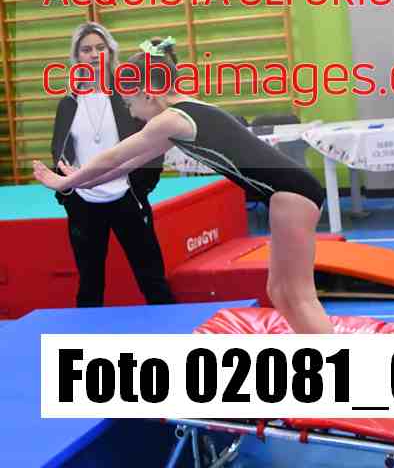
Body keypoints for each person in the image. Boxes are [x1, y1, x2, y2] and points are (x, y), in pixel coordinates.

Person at [36, 36, 333, 334]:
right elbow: (125, 166)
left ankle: (333, 358)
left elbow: (114, 156)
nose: (131, 113)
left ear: (148, 94)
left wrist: (66, 180)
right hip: (287, 193)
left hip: (291, 193)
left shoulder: (170, 120)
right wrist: (78, 182)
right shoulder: (182, 115)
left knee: (298, 295)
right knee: (280, 291)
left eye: (130, 103)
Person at [50, 22, 174, 307]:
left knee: (152, 278)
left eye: (100, 48)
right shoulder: (68, 103)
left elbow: (153, 140)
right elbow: (59, 150)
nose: (94, 55)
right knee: (89, 284)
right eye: (86, 50)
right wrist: (69, 193)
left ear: (110, 51)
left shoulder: (128, 95)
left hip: (127, 198)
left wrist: (141, 187)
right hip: (84, 203)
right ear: (77, 56)